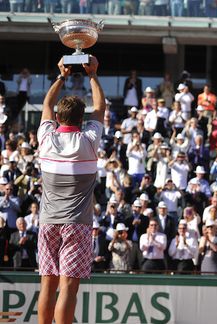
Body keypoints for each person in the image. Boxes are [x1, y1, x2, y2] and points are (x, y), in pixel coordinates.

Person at [37, 57, 104, 324]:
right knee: (68, 287)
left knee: (48, 285)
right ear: (82, 120)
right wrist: (93, 75)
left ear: (57, 119)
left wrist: (61, 76)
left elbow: (45, 105)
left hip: (48, 222)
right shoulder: (88, 140)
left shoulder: (46, 138)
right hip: (77, 224)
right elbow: (100, 107)